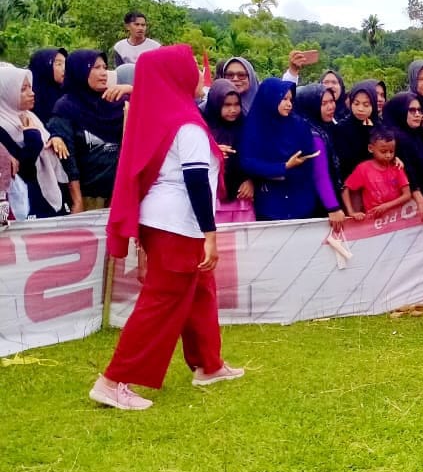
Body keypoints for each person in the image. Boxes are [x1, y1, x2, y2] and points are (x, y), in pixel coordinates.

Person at [93, 44, 242, 411]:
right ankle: (113, 380)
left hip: (163, 219)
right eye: (190, 66)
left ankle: (209, 365)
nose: (197, 72)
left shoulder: (164, 114)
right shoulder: (185, 123)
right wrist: (210, 233)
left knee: (200, 290)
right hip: (178, 223)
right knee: (161, 302)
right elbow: (193, 180)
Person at [238, 78, 341, 223]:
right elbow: (248, 162)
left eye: (290, 99)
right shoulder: (254, 128)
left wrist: (332, 206)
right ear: (270, 99)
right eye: (284, 98)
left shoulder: (299, 126)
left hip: (302, 203)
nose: (289, 104)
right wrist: (282, 167)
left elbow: (314, 168)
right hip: (269, 204)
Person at [49, 50, 126, 212]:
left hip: (119, 194)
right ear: (80, 71)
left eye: (105, 67)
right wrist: (77, 200)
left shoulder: (117, 102)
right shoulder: (67, 106)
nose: (103, 73)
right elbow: (68, 158)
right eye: (95, 67)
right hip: (87, 198)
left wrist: (132, 89)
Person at [0, 66, 68, 218]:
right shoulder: (3, 126)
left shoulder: (29, 116)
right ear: (6, 93)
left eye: (30, 87)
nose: (32, 93)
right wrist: (33, 137)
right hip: (24, 203)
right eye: (23, 89)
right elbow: (23, 170)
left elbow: (47, 140)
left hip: (47, 194)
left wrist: (54, 138)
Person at [201, 79, 254, 223]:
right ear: (215, 104)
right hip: (213, 200)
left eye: (236, 104)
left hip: (242, 199)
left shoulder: (245, 126)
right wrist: (211, 150)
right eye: (227, 105)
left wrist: (251, 180)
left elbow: (255, 157)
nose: (233, 110)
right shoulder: (202, 128)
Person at [382, 92, 423, 224]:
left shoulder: (421, 134)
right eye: (412, 110)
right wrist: (420, 200)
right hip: (406, 202)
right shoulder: (393, 137)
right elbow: (407, 170)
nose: (417, 114)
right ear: (400, 112)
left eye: (419, 110)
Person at [293, 83, 345, 213]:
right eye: (323, 104)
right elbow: (320, 175)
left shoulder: (326, 127)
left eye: (332, 101)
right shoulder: (314, 135)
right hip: (318, 204)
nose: (330, 107)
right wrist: (333, 208)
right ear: (311, 106)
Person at [342, 127, 411, 219]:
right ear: (370, 148)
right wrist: (351, 212)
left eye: (391, 151)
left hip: (397, 219)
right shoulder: (363, 169)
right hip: (374, 223)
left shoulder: (397, 166)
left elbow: (407, 195)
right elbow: (345, 188)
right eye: (383, 151)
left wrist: (386, 206)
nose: (388, 155)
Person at [331, 80, 381, 181]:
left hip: (377, 180)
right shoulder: (341, 128)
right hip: (351, 182)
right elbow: (344, 163)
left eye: (366, 105)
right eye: (356, 103)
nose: (360, 109)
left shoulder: (379, 126)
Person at [28, 48, 67, 123]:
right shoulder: (29, 98)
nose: (65, 68)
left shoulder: (69, 93)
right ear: (44, 67)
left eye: (66, 63)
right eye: (59, 64)